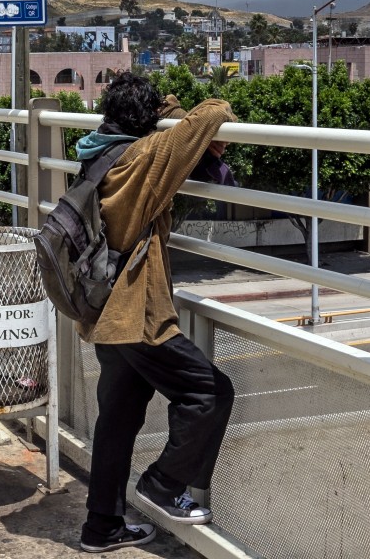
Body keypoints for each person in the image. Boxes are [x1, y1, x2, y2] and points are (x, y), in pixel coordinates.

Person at [75, 73, 237, 554]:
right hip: (135, 312)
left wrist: (155, 115)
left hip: (101, 307)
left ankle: (101, 528)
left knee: (118, 421)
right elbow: (213, 112)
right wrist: (169, 117)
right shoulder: (146, 156)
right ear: (146, 123)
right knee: (209, 390)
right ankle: (163, 485)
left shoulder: (97, 152)